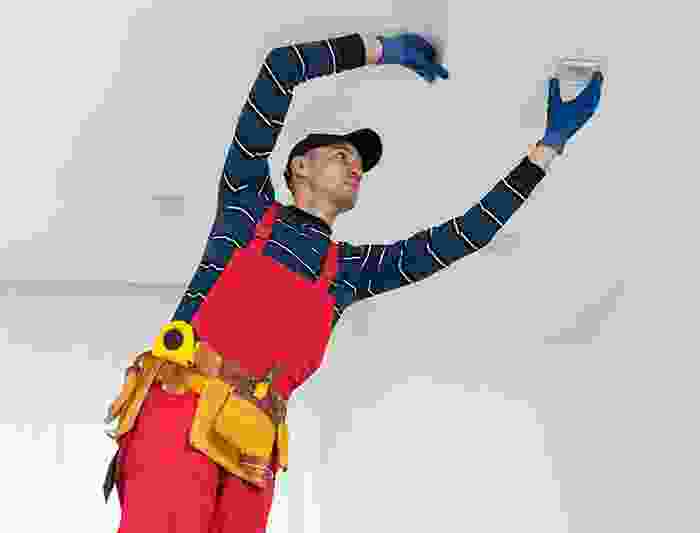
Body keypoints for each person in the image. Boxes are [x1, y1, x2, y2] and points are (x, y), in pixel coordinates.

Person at [103, 30, 603, 533]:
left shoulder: (346, 273)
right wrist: (380, 50)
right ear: (299, 166)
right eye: (342, 155)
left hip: (253, 444)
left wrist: (548, 149)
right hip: (181, 406)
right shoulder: (245, 210)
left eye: (360, 164)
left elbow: (463, 236)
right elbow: (280, 69)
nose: (355, 167)